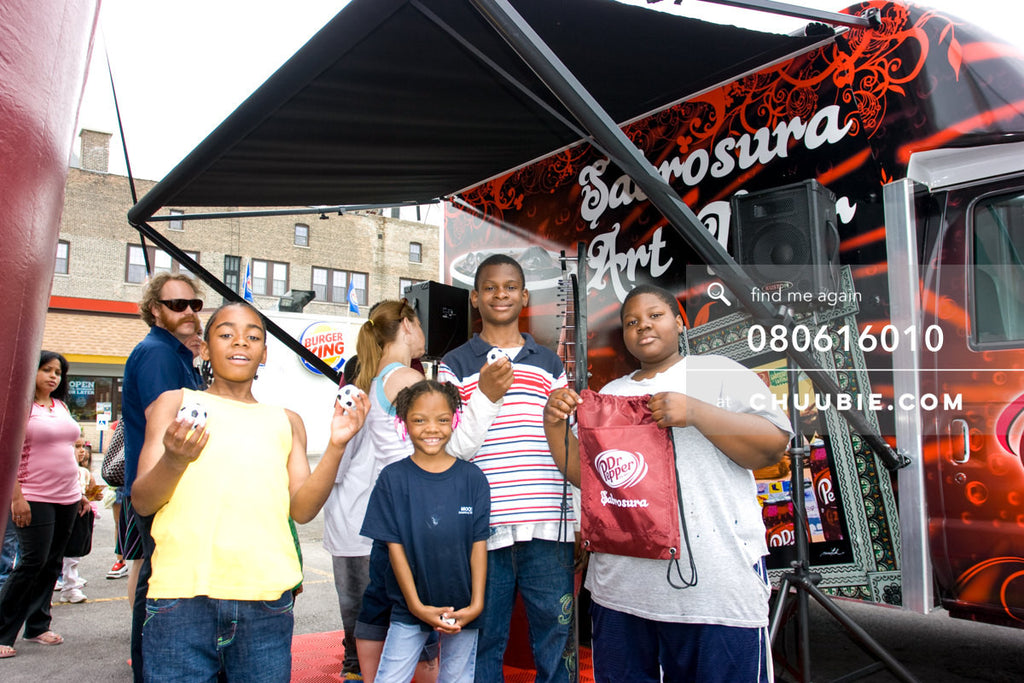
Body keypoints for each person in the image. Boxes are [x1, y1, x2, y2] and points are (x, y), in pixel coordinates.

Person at [542, 284, 793, 683]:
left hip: (714, 590)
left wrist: (695, 412)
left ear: (679, 322)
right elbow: (590, 478)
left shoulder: (721, 373)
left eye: (655, 315)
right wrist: (553, 424)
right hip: (622, 592)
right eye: (631, 322)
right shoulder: (612, 394)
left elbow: (771, 447)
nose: (643, 326)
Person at [131, 301, 369, 682]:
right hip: (182, 598)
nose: (240, 342)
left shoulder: (286, 421)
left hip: (266, 600)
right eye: (226, 334)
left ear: (264, 353)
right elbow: (142, 500)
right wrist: (174, 461)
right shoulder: (175, 403)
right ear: (205, 348)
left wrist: (337, 446)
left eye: (253, 336)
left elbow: (303, 508)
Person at [438, 253, 575, 683]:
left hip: (549, 527)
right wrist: (486, 395)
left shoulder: (550, 363)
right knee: (482, 644)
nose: (501, 294)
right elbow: (451, 450)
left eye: (510, 286)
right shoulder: (455, 364)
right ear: (475, 298)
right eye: (491, 288)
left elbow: (569, 446)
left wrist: (581, 514)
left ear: (525, 296)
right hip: (482, 528)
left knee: (557, 641)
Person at [322, 299, 440, 682]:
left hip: (384, 509)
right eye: (419, 324)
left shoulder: (374, 378)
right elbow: (444, 437)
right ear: (406, 325)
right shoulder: (402, 379)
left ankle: (366, 672)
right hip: (410, 509)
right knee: (413, 611)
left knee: (377, 607)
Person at [361, 380, 490, 683]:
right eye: (419, 420)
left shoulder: (473, 478)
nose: (432, 428)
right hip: (409, 609)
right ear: (403, 423)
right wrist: (416, 606)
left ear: (454, 421)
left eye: (442, 419)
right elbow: (395, 551)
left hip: (464, 609)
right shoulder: (392, 479)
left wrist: (477, 604)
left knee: (457, 678)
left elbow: (478, 546)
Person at [120, 274, 205, 680]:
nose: (188, 311)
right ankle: (152, 666)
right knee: (161, 586)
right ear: (155, 309)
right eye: (177, 305)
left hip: (174, 485)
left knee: (159, 581)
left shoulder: (174, 354)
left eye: (194, 304)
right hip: (164, 487)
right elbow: (169, 425)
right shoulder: (157, 354)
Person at [0, 351, 89, 659]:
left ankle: (37, 626)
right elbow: (6, 454)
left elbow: (67, 450)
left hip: (67, 496)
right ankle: (2, 632)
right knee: (31, 563)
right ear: (31, 372)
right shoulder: (19, 408)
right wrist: (16, 497)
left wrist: (80, 493)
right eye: (47, 370)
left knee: (52, 563)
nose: (53, 376)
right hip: (33, 496)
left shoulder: (61, 406)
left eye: (58, 372)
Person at [57, 438, 101, 604]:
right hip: (65, 513)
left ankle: (70, 586)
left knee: (73, 554)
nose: (82, 450)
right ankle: (61, 584)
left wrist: (94, 495)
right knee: (57, 553)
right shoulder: (61, 470)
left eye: (83, 447)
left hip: (81, 514)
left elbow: (90, 493)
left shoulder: (84, 472)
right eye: (77, 447)